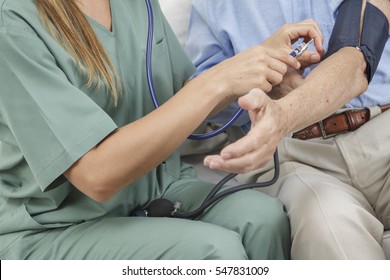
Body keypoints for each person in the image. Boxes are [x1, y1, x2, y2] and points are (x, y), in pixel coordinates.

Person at [0, 0, 325, 260]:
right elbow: (96, 176)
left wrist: (259, 67)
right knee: (213, 253)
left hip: (154, 185)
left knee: (263, 219)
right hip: (54, 225)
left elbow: (177, 99)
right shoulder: (13, 21)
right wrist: (221, 78)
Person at [185, 0, 390, 259]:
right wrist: (263, 78)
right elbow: (200, 95)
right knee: (325, 224)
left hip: (382, 128)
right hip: (294, 154)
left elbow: (357, 58)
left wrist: (286, 111)